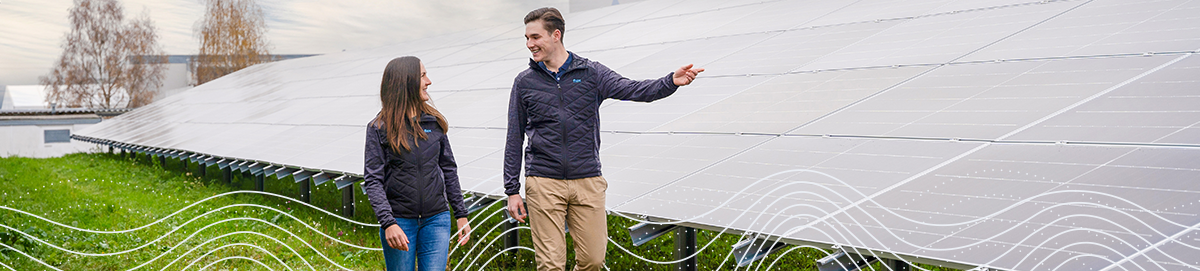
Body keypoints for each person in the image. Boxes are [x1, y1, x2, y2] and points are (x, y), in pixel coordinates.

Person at [503, 7, 704, 271]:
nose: (530, 44)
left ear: (556, 35)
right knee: (551, 265)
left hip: (587, 180)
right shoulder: (525, 82)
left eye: (535, 37)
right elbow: (514, 136)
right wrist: (512, 190)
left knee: (593, 260)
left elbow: (633, 89)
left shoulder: (591, 73)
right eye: (527, 38)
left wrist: (670, 82)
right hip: (543, 181)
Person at [363, 56, 472, 271]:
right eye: (422, 75)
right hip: (399, 222)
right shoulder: (379, 128)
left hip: (437, 220)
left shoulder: (434, 122)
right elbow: (373, 180)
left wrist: (461, 214)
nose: (428, 81)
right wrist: (388, 223)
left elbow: (449, 169)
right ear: (406, 81)